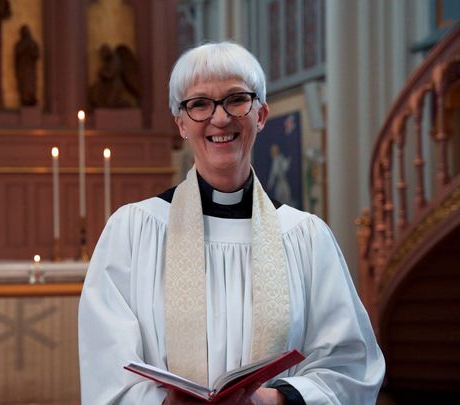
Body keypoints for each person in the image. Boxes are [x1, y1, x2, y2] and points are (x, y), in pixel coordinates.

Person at [78, 42, 385, 404]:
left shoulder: (305, 237)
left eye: (236, 99)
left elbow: (350, 365)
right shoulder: (133, 230)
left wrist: (272, 400)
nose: (220, 118)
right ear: (180, 122)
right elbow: (107, 362)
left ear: (261, 114)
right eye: (199, 104)